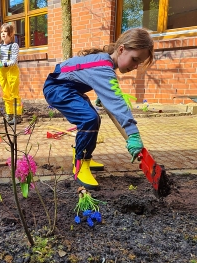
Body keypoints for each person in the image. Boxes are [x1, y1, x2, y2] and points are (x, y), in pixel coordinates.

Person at [43, 28, 154, 190]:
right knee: (89, 119)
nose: (136, 66)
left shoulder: (104, 64)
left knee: (93, 118)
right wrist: (133, 133)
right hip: (57, 88)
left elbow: (87, 75)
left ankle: (85, 156)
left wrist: (104, 94)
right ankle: (80, 164)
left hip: (68, 88)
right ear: (121, 49)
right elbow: (117, 102)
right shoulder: (103, 67)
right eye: (134, 60)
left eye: (139, 63)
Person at [0, 23, 22, 125]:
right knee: (6, 93)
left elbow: (13, 61)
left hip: (11, 70)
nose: (3, 34)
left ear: (11, 34)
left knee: (14, 93)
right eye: (1, 32)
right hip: (2, 72)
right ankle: (9, 114)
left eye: (5, 32)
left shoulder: (14, 46)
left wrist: (2, 64)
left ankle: (17, 115)